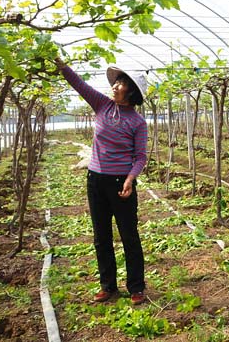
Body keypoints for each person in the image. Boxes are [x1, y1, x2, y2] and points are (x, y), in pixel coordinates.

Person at [55, 57, 149, 306]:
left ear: (131, 90)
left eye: (120, 84)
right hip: (95, 180)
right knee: (101, 236)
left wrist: (130, 179)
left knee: (129, 235)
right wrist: (61, 65)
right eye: (115, 82)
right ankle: (108, 286)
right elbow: (79, 84)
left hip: (121, 183)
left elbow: (140, 157)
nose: (115, 87)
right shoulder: (102, 105)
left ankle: (136, 287)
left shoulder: (138, 122)